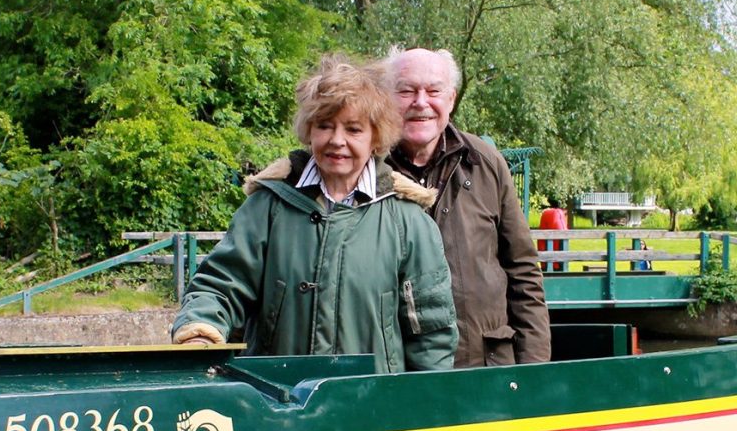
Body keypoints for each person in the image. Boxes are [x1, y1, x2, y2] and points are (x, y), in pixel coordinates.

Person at [171, 55, 459, 373]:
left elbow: (431, 334)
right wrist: (199, 333)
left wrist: (426, 407)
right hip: (274, 403)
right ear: (309, 130)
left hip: (374, 409)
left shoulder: (409, 223)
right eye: (325, 125)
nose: (337, 140)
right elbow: (221, 285)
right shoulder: (267, 208)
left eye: (353, 129)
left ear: (375, 137)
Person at [384, 47, 551, 368]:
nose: (421, 102)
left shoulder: (487, 163)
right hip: (399, 373)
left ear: (451, 99)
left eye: (434, 91)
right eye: (406, 91)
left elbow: (524, 272)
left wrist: (534, 369)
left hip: (485, 368)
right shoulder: (365, 169)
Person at [538, 199, 568, 272]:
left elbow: (541, 237)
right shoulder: (561, 214)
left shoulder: (547, 213)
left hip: (549, 259)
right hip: (561, 258)